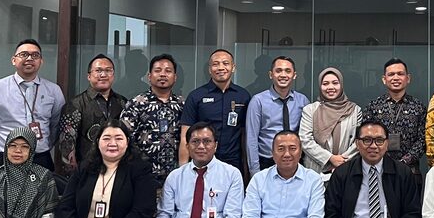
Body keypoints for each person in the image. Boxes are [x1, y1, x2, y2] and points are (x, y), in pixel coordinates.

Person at [0, 39, 65, 183]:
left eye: (35, 55)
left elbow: (56, 126)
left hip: (40, 159)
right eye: (24, 54)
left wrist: (42, 144)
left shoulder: (53, 91)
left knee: (42, 198)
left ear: (41, 61)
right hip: (3, 159)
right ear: (13, 60)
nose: (29, 58)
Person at [179, 48, 250, 177]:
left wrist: (247, 169)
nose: (221, 67)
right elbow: (185, 135)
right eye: (215, 64)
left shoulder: (243, 96)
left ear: (233, 68)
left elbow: (246, 135)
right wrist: (182, 171)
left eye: (225, 63)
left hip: (234, 162)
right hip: (202, 161)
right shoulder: (196, 96)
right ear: (209, 69)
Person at [120, 53, 186, 187]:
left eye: (168, 71)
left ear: (175, 77)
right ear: (149, 76)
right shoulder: (136, 104)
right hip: (142, 177)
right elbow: (123, 138)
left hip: (177, 178)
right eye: (158, 70)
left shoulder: (183, 105)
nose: (163, 74)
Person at [56, 54, 127, 177]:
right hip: (86, 172)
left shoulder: (123, 103)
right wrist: (74, 175)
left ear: (113, 75)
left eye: (108, 70)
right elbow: (66, 144)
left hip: (119, 170)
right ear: (89, 76)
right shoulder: (75, 104)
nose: (103, 75)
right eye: (98, 71)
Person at [245, 56, 311, 174]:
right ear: (271, 74)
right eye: (278, 71)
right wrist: (254, 172)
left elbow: (307, 135)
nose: (283, 75)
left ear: (294, 75)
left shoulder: (302, 101)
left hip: (295, 161)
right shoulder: (258, 101)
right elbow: (251, 139)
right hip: (267, 161)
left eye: (288, 71)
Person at [361, 58, 427, 176]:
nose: (395, 78)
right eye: (391, 74)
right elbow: (366, 137)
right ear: (384, 79)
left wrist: (404, 162)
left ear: (408, 78)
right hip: (379, 170)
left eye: (400, 74)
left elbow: (423, 140)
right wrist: (383, 160)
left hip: (410, 172)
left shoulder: (418, 107)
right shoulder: (373, 106)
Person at [299, 67, 362, 178]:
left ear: (341, 85)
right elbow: (305, 140)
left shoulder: (355, 110)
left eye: (335, 83)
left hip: (346, 168)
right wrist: (329, 158)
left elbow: (359, 140)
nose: (330, 87)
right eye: (325, 84)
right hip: (316, 170)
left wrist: (341, 161)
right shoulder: (310, 110)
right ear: (320, 86)